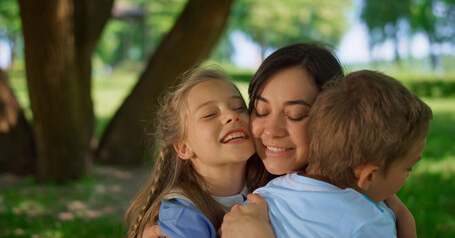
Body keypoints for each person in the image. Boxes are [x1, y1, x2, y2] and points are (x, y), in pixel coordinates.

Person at [141, 43, 417, 237]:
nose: (271, 130)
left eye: (296, 115)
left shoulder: (361, 188)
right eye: (260, 111)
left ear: (333, 119)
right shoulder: (261, 188)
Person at [250, 70, 433, 237]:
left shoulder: (264, 198)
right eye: (408, 167)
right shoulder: (367, 222)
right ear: (369, 175)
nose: (408, 174)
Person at [126, 68, 268, 238]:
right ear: (184, 148)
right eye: (209, 114)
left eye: (238, 107)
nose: (231, 115)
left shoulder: (273, 184)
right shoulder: (180, 215)